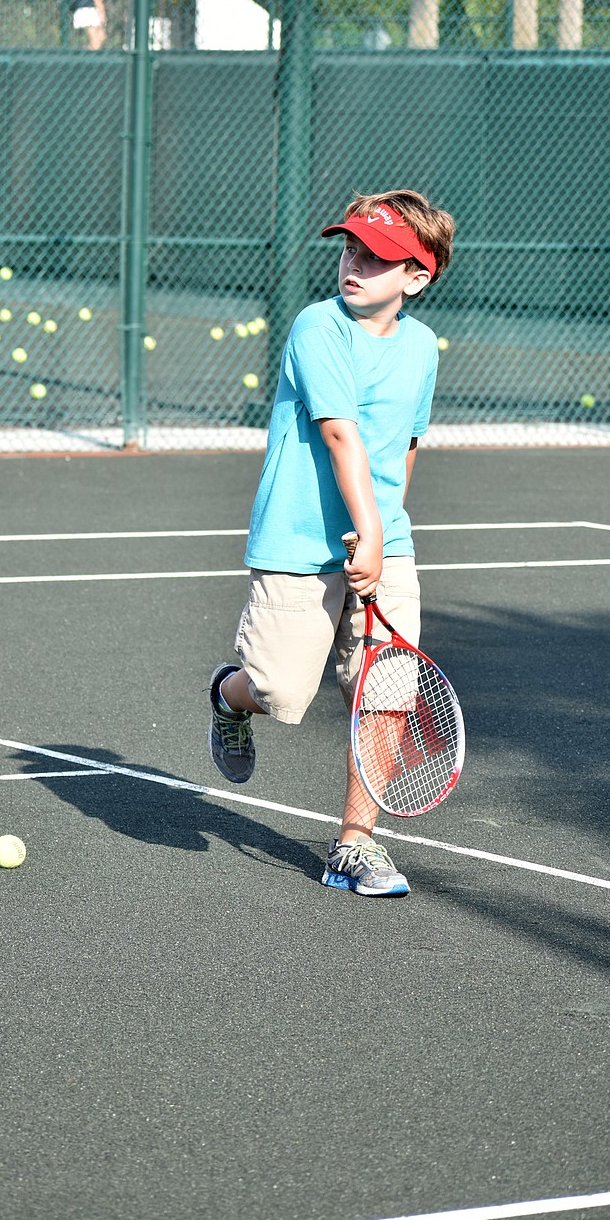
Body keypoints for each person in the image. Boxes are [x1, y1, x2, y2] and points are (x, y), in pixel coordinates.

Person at [207, 189, 455, 897]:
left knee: (387, 690)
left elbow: (406, 443)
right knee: (281, 691)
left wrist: (386, 535)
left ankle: (354, 845)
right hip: (297, 539)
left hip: (383, 541)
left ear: (417, 276)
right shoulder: (318, 326)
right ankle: (229, 698)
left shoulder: (422, 346)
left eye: (379, 258)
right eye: (352, 248)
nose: (356, 263)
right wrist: (367, 533)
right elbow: (339, 431)